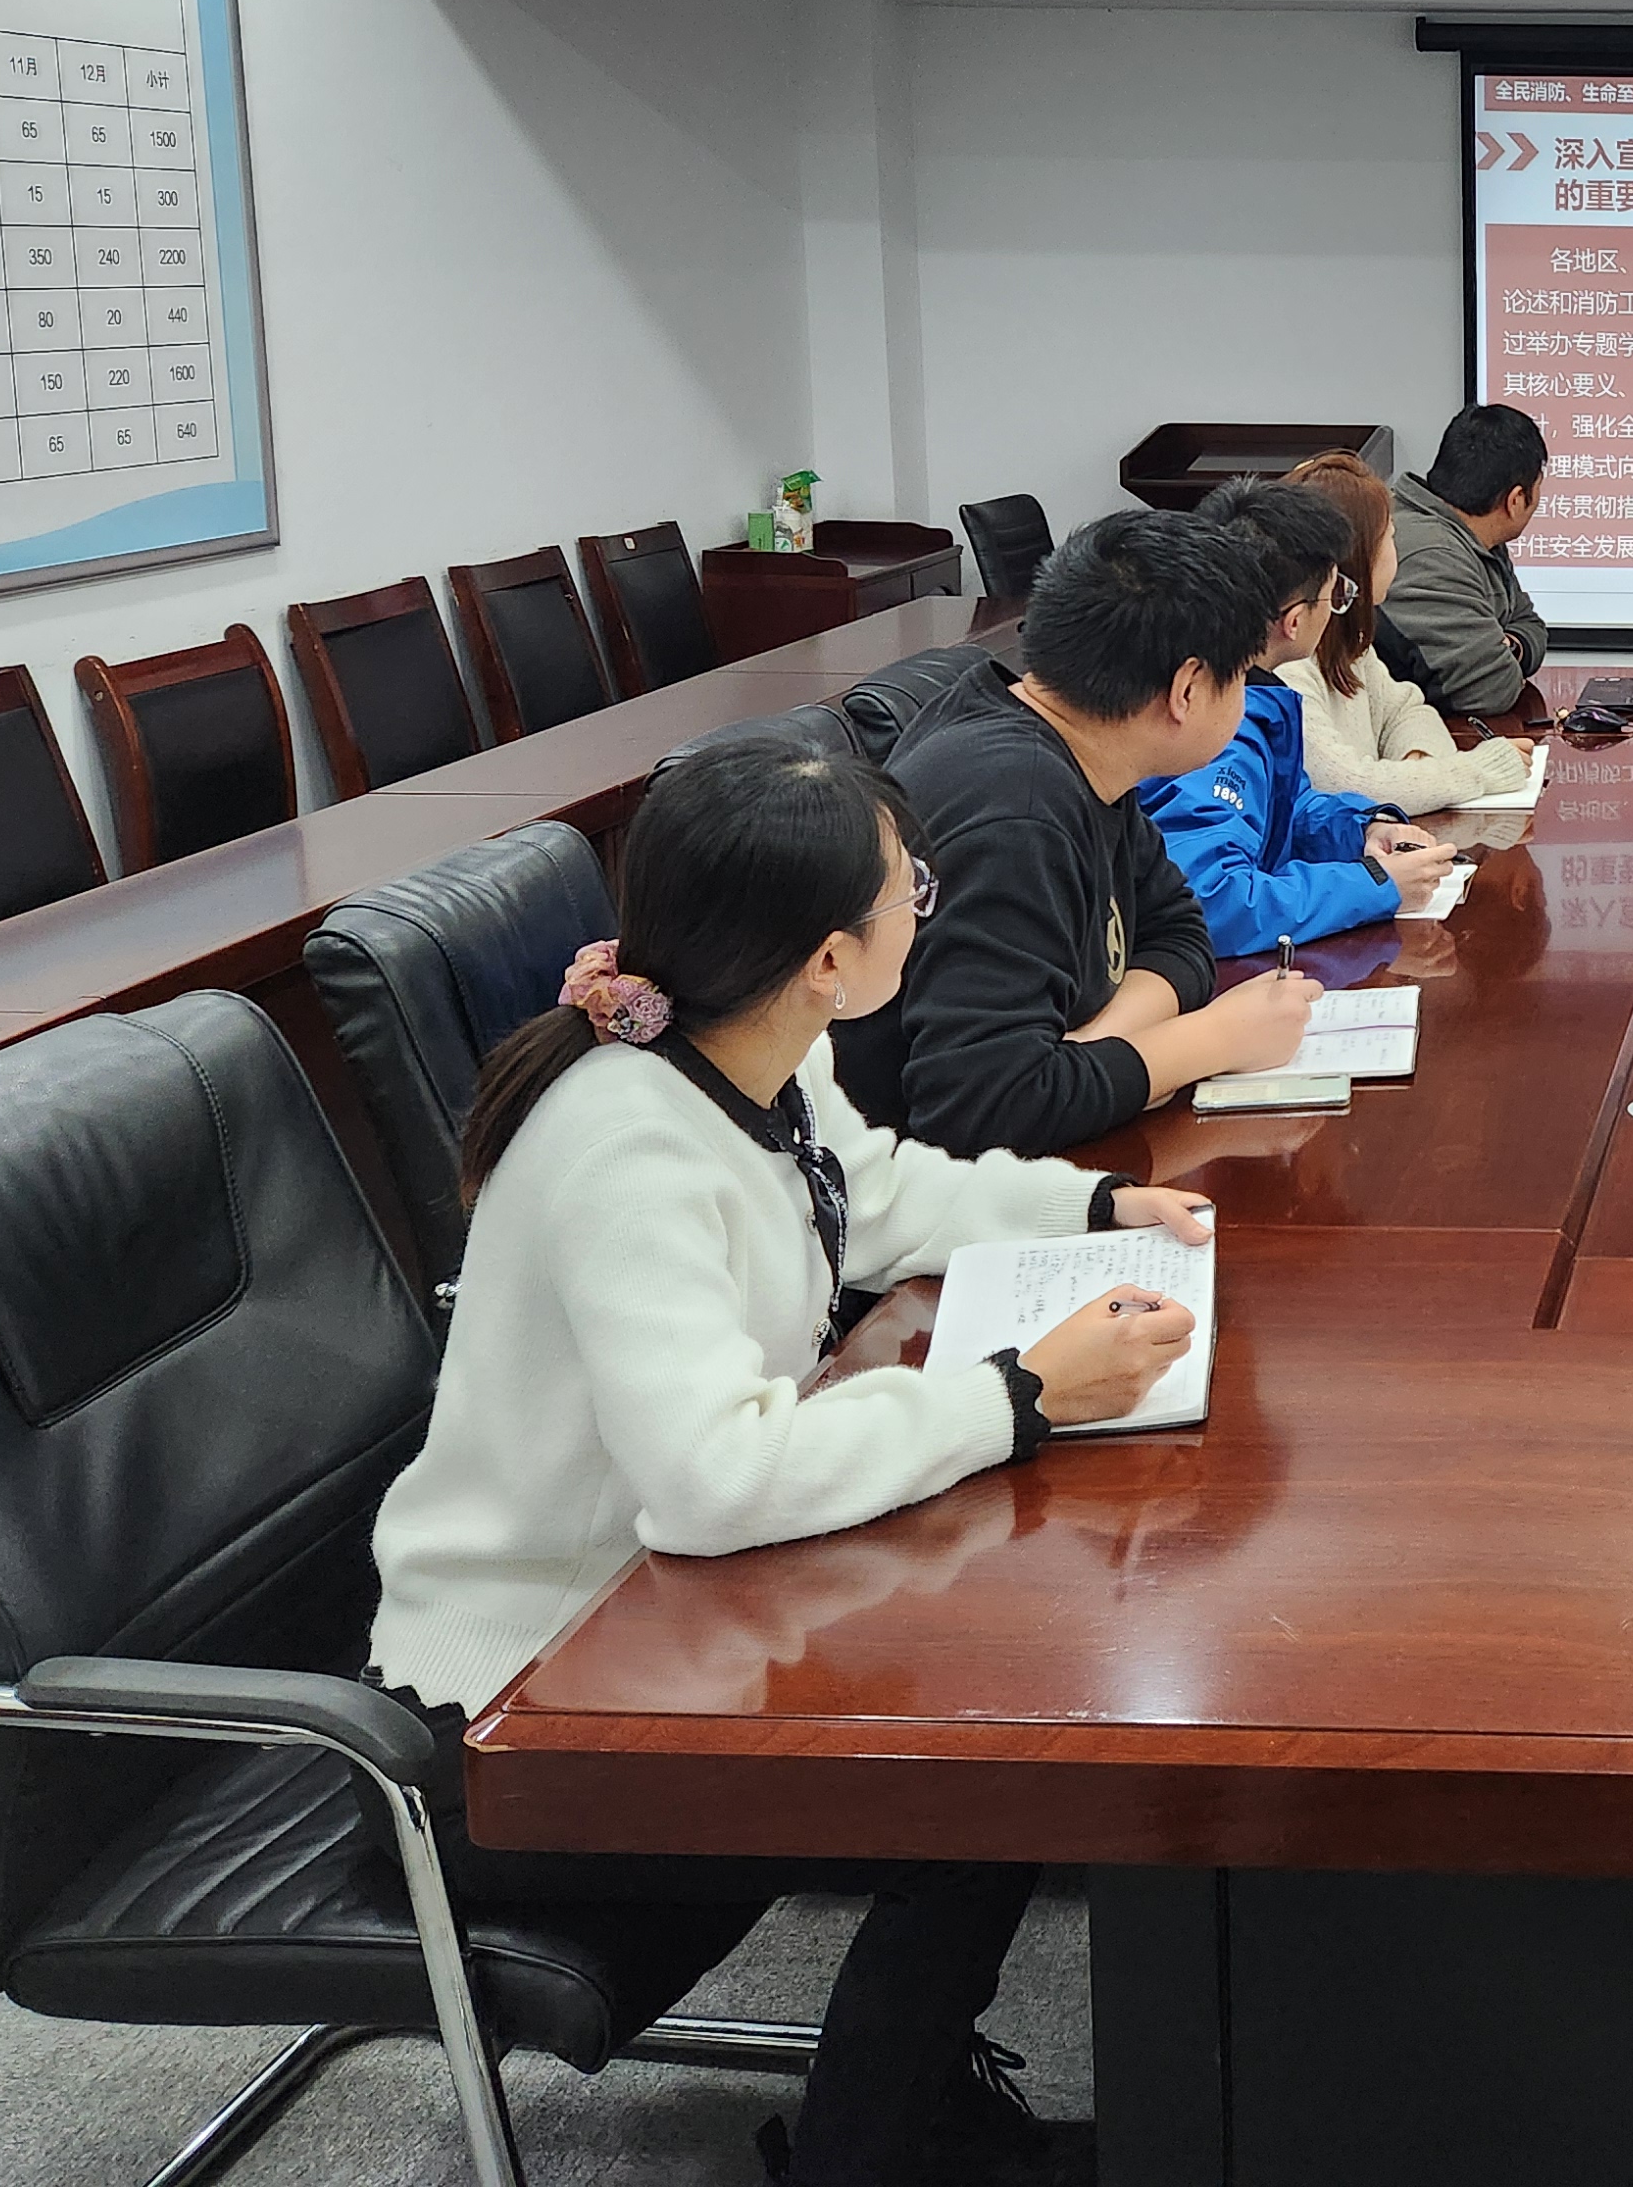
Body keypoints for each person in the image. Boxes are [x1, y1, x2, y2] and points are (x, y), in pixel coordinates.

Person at [368, 741, 1221, 2186]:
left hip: (649, 1618)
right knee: (983, 1783)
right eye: (910, 892)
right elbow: (715, 1481)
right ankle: (874, 2152)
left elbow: (869, 1197)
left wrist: (1092, 1204)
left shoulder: (751, 1052)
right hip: (516, 1710)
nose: (923, 911)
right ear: (830, 957)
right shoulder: (626, 1145)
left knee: (1001, 1706)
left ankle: (903, 2116)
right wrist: (1021, 1394)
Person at [831, 509, 1320, 1155]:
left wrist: (1092, 1053)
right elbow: (978, 1107)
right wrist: (1214, 1041)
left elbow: (1179, 933)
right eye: (1240, 679)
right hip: (909, 1190)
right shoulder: (1019, 812)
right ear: (1187, 689)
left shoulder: (1083, 749)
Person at [1144, 475, 1461, 951]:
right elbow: (1214, 900)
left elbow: (1285, 811)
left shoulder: (1250, 691)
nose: (1336, 610)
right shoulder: (1209, 725)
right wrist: (1375, 884)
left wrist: (1363, 829)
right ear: (1294, 622)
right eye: (1335, 596)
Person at [1280, 450, 1542, 813]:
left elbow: (1408, 710)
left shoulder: (1349, 641)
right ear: (1359, 556)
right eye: (1390, 536)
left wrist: (1419, 770)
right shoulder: (1289, 661)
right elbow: (1346, 788)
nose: (1398, 547)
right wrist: (1477, 770)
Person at [1389, 403, 1555, 712]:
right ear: (1516, 500)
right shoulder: (1431, 556)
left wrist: (1508, 647)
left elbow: (1530, 625)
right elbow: (1488, 689)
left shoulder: (1476, 535)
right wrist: (1501, 653)